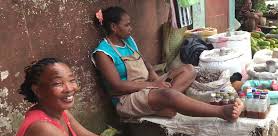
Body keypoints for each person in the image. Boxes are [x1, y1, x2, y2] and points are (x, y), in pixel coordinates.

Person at [92, 6, 244, 122]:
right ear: (113, 27)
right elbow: (117, 86)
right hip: (127, 99)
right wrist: (155, 86)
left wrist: (154, 77)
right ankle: (221, 112)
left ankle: (165, 105)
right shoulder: (103, 53)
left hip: (147, 85)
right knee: (169, 94)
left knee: (189, 69)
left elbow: (144, 62)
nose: (130, 28)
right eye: (127, 25)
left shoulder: (128, 41)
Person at [12, 58, 151, 136]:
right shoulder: (42, 128)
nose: (69, 88)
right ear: (37, 91)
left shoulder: (59, 111)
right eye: (58, 83)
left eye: (71, 80)